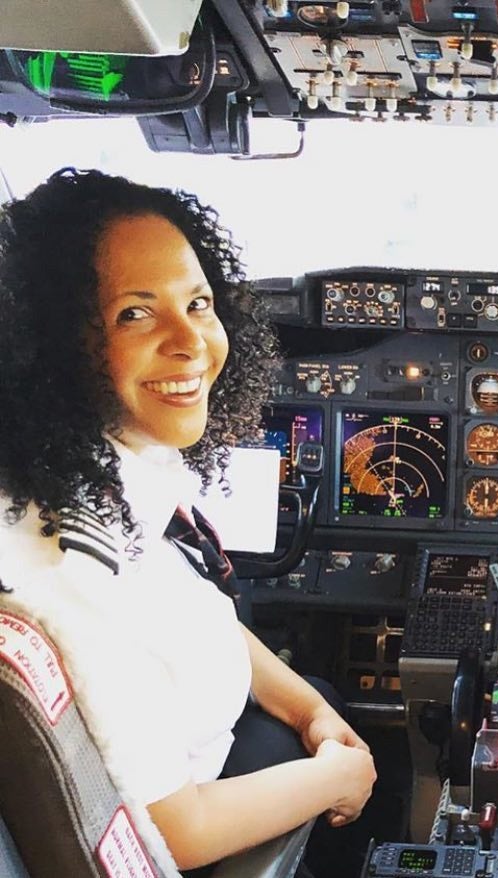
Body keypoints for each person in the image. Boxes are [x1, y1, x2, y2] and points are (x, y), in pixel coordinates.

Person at [0, 168, 376, 873]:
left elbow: (187, 611)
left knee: (327, 696)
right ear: (50, 340)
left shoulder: (97, 469)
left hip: (222, 738)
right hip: (195, 823)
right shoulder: (68, 560)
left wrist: (310, 713)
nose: (191, 342)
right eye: (134, 314)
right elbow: (175, 830)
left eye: (198, 303)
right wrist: (340, 775)